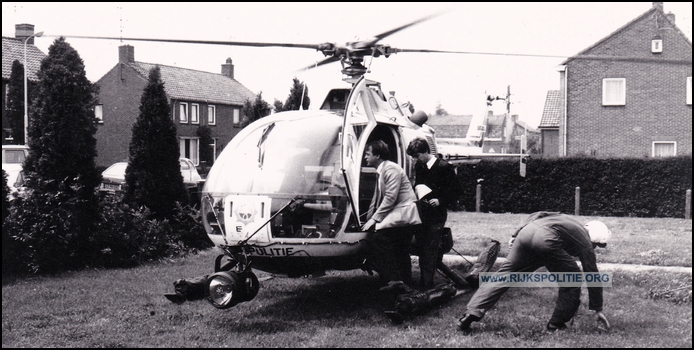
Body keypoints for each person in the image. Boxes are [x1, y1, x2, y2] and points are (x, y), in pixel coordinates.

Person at [457, 211, 612, 332]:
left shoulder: (567, 220)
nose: (594, 249)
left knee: (503, 276)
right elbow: (592, 275)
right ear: (594, 240)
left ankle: (470, 314)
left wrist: (516, 234)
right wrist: (597, 309)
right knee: (572, 279)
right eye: (597, 246)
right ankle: (556, 324)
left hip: (526, 234)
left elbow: (539, 214)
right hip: (546, 241)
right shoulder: (585, 241)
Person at [362, 140, 422, 290]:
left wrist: (374, 220)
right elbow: (376, 200)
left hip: (404, 215)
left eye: (368, 154)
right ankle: (404, 285)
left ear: (377, 155)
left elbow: (390, 197)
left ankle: (394, 280)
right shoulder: (383, 170)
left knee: (380, 239)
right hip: (399, 215)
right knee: (400, 251)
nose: (365, 157)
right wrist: (367, 219)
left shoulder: (391, 169)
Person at [406, 137, 457, 290]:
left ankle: (427, 284)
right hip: (422, 211)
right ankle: (424, 281)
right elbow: (419, 185)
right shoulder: (420, 166)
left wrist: (440, 200)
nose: (416, 159)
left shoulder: (444, 167)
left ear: (426, 151)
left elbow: (456, 191)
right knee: (421, 247)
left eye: (417, 155)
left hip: (437, 214)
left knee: (430, 249)